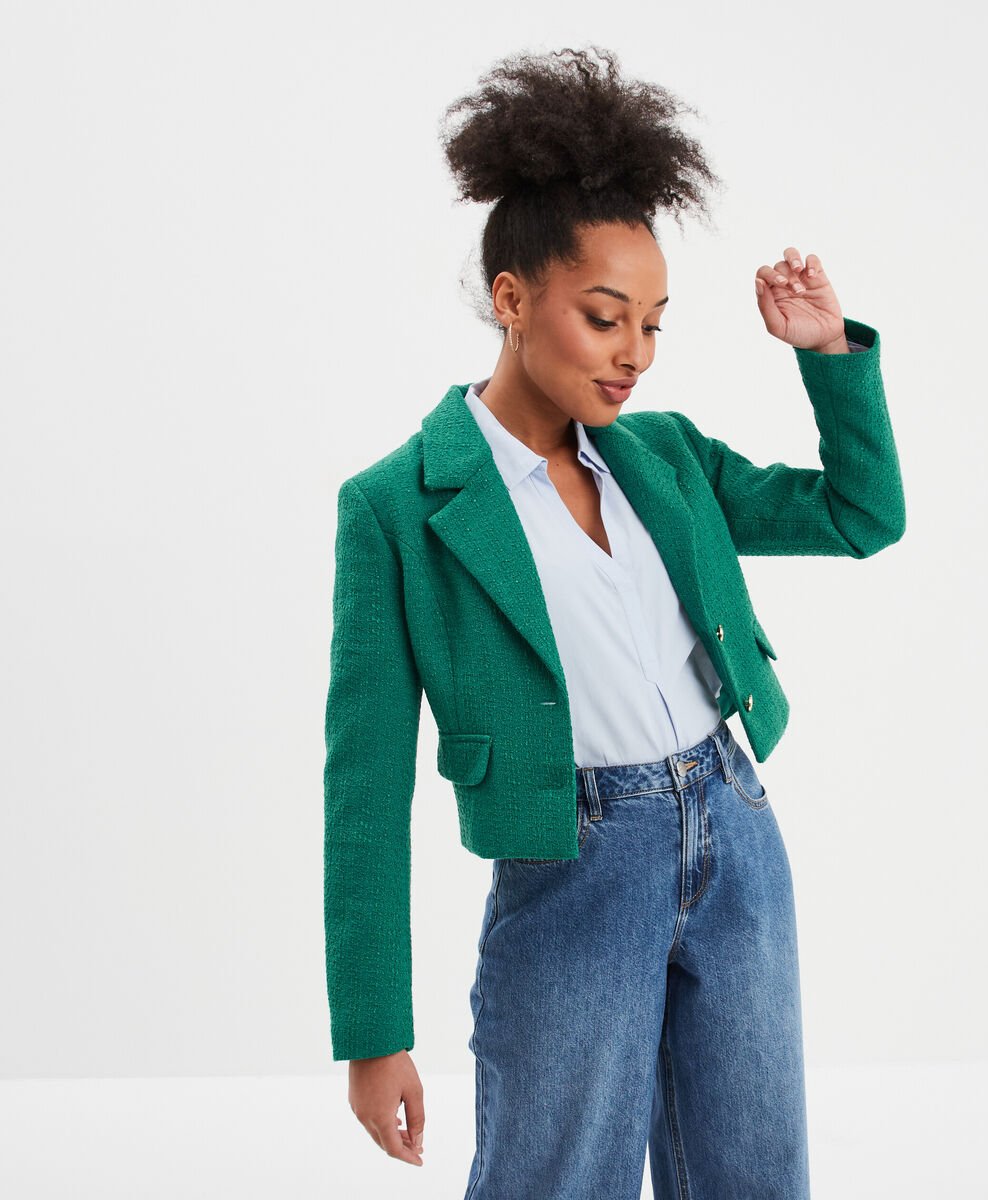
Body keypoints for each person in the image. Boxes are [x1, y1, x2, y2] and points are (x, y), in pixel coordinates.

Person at [323, 45, 905, 1200]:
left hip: (734, 828)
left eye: (653, 322)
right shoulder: (396, 507)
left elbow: (860, 516)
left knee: (754, 1175)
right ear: (511, 299)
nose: (633, 351)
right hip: (573, 859)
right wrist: (373, 1031)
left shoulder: (666, 458)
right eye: (603, 317)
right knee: (556, 1178)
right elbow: (366, 787)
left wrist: (828, 354)